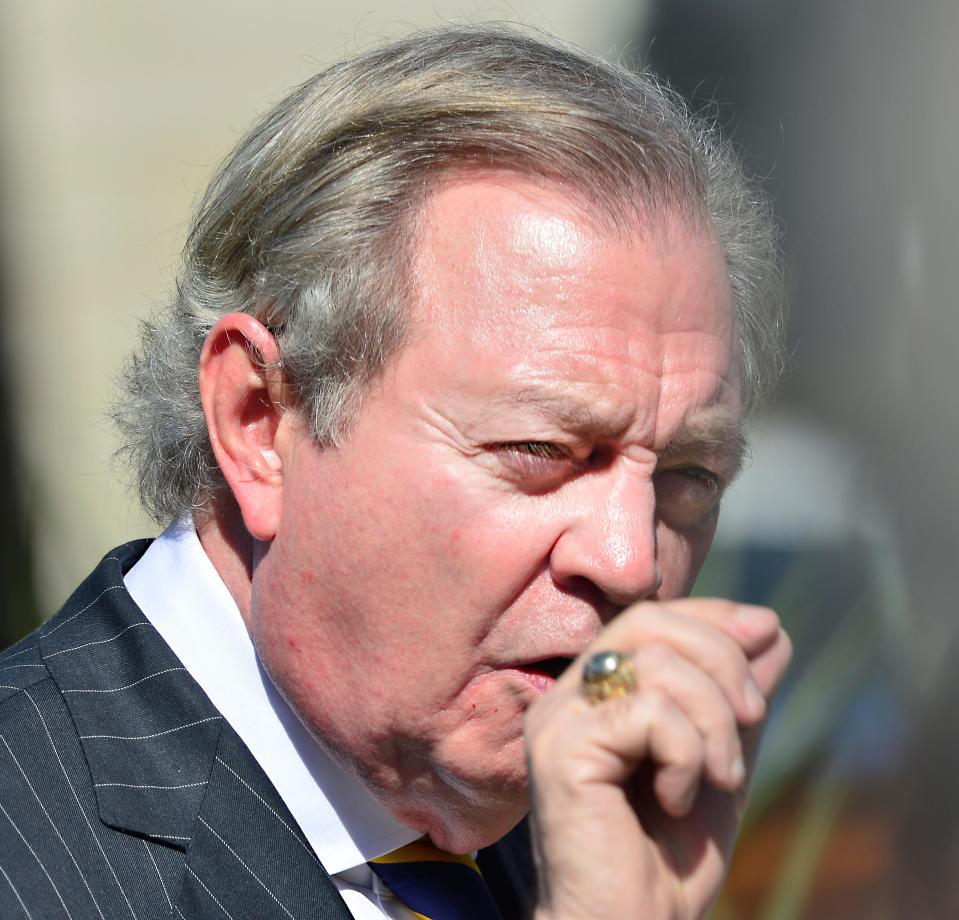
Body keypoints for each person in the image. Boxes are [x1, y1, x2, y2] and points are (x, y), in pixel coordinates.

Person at [0, 26, 791, 920]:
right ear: (259, 420)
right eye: (540, 452)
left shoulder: (585, 837)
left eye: (687, 475)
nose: (629, 561)